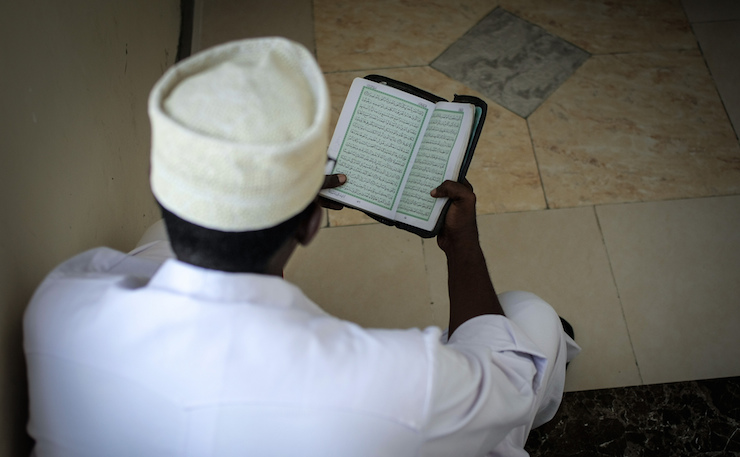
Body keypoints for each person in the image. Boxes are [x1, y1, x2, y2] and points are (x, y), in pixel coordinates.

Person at [23, 37, 580, 457]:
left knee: (151, 248)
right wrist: (463, 248)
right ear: (312, 224)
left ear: (162, 189)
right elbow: (508, 381)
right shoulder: (397, 380)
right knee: (530, 318)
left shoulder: (61, 303)